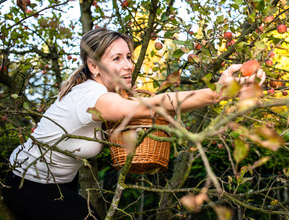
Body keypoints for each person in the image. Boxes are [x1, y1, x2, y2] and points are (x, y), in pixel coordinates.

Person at [2, 28, 266, 219]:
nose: (128, 65)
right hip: (27, 184)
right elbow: (152, 106)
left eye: (128, 56)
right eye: (116, 59)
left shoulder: (106, 92)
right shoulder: (91, 97)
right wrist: (216, 92)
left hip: (61, 183)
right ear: (93, 66)